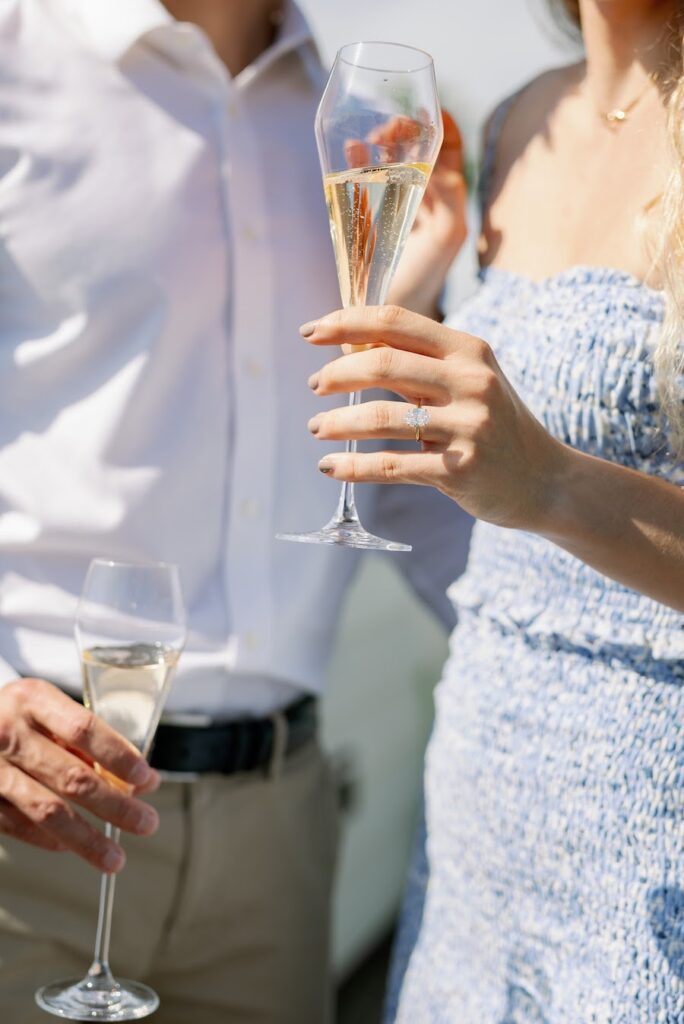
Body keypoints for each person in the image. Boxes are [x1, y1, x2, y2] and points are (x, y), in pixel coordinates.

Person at [0, 1, 472, 1022]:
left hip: (282, 843)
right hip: (32, 830)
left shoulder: (366, 119)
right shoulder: (14, 56)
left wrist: (422, 305)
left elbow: (385, 480)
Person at [301, 0, 684, 1020]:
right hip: (474, 816)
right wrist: (421, 295)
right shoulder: (518, 123)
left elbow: (537, 471)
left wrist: (553, 483)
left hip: (651, 840)